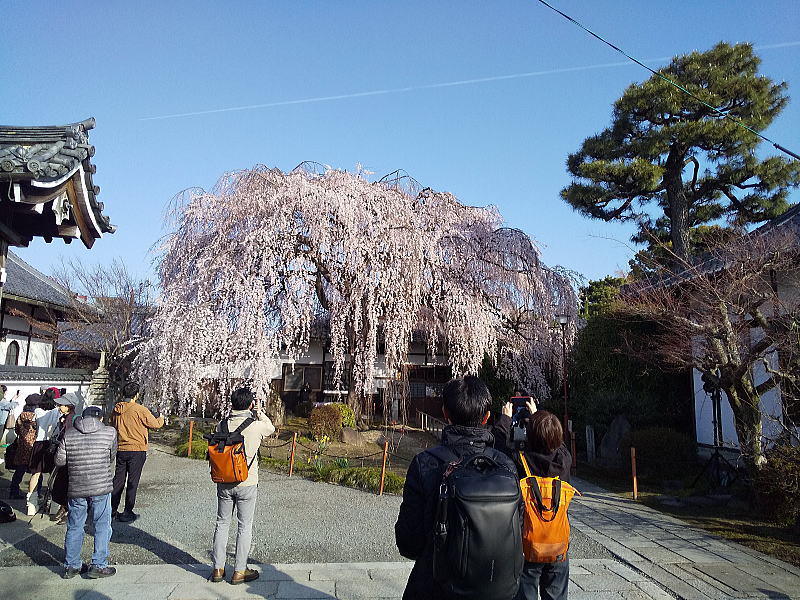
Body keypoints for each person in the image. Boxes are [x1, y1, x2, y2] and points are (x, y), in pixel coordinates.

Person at [395, 376, 520, 600]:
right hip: (495, 587)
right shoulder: (506, 466)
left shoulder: (426, 464)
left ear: (445, 413)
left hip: (435, 586)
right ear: (487, 417)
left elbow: (408, 542)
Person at [495, 401, 572, 600]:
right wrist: (541, 417)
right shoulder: (564, 461)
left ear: (529, 437)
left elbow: (498, 446)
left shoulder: (520, 462)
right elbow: (557, 442)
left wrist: (505, 419)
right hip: (558, 544)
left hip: (528, 545)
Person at [209, 388, 275, 585]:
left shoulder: (221, 425)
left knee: (222, 524)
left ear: (232, 403)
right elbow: (270, 427)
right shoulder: (255, 426)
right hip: (247, 482)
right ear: (250, 404)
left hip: (223, 481)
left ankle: (218, 569)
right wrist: (259, 412)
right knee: (244, 526)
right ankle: (239, 571)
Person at [54, 405, 117, 579]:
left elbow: (59, 461)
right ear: (101, 418)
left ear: (82, 417)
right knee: (102, 525)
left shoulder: (70, 434)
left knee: (75, 525)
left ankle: (72, 565)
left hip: (77, 486)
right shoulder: (109, 432)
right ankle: (98, 564)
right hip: (101, 486)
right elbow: (111, 456)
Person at [110, 381, 164, 522]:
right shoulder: (140, 409)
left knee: (118, 480)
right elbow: (156, 424)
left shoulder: (116, 409)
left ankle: (111, 509)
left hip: (121, 448)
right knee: (133, 481)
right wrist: (161, 416)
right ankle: (128, 511)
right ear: (136, 394)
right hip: (137, 450)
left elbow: (112, 425)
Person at [26, 391, 61, 515]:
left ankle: (31, 504)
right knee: (53, 475)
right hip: (51, 444)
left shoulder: (38, 411)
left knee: (35, 473)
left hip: (38, 443)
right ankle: (53, 505)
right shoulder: (56, 411)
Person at [9, 394, 40, 500]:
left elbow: (16, 430)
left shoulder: (21, 416)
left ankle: (13, 491)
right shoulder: (37, 416)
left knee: (19, 470)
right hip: (34, 446)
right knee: (37, 471)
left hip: (22, 446)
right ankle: (36, 493)